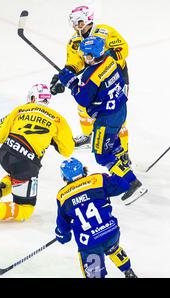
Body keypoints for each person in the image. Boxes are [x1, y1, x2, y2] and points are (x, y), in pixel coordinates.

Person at [0, 84, 74, 229]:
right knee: (25, 209)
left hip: (5, 154)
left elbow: (0, 135)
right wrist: (54, 141)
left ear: (32, 98)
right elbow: (67, 150)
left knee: (17, 176)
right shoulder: (58, 119)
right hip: (26, 162)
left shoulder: (20, 109)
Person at [58, 36, 147, 205]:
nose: (84, 58)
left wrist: (71, 82)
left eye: (86, 55)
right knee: (114, 146)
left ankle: (132, 183)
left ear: (92, 55)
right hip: (120, 110)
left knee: (102, 155)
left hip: (106, 120)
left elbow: (83, 99)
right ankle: (124, 171)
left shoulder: (92, 74)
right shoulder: (110, 59)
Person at [50, 6, 130, 150]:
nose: (76, 26)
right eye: (73, 23)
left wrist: (104, 58)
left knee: (117, 110)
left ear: (88, 20)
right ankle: (87, 136)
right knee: (83, 106)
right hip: (94, 77)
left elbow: (123, 49)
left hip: (115, 75)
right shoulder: (74, 41)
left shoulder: (105, 32)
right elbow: (75, 64)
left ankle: (123, 149)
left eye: (79, 22)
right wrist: (64, 76)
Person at [55, 157, 138, 278]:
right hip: (111, 232)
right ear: (83, 170)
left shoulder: (62, 196)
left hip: (90, 243)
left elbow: (63, 226)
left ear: (64, 177)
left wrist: (62, 235)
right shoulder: (98, 179)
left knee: (95, 275)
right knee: (113, 248)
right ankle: (128, 271)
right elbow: (123, 185)